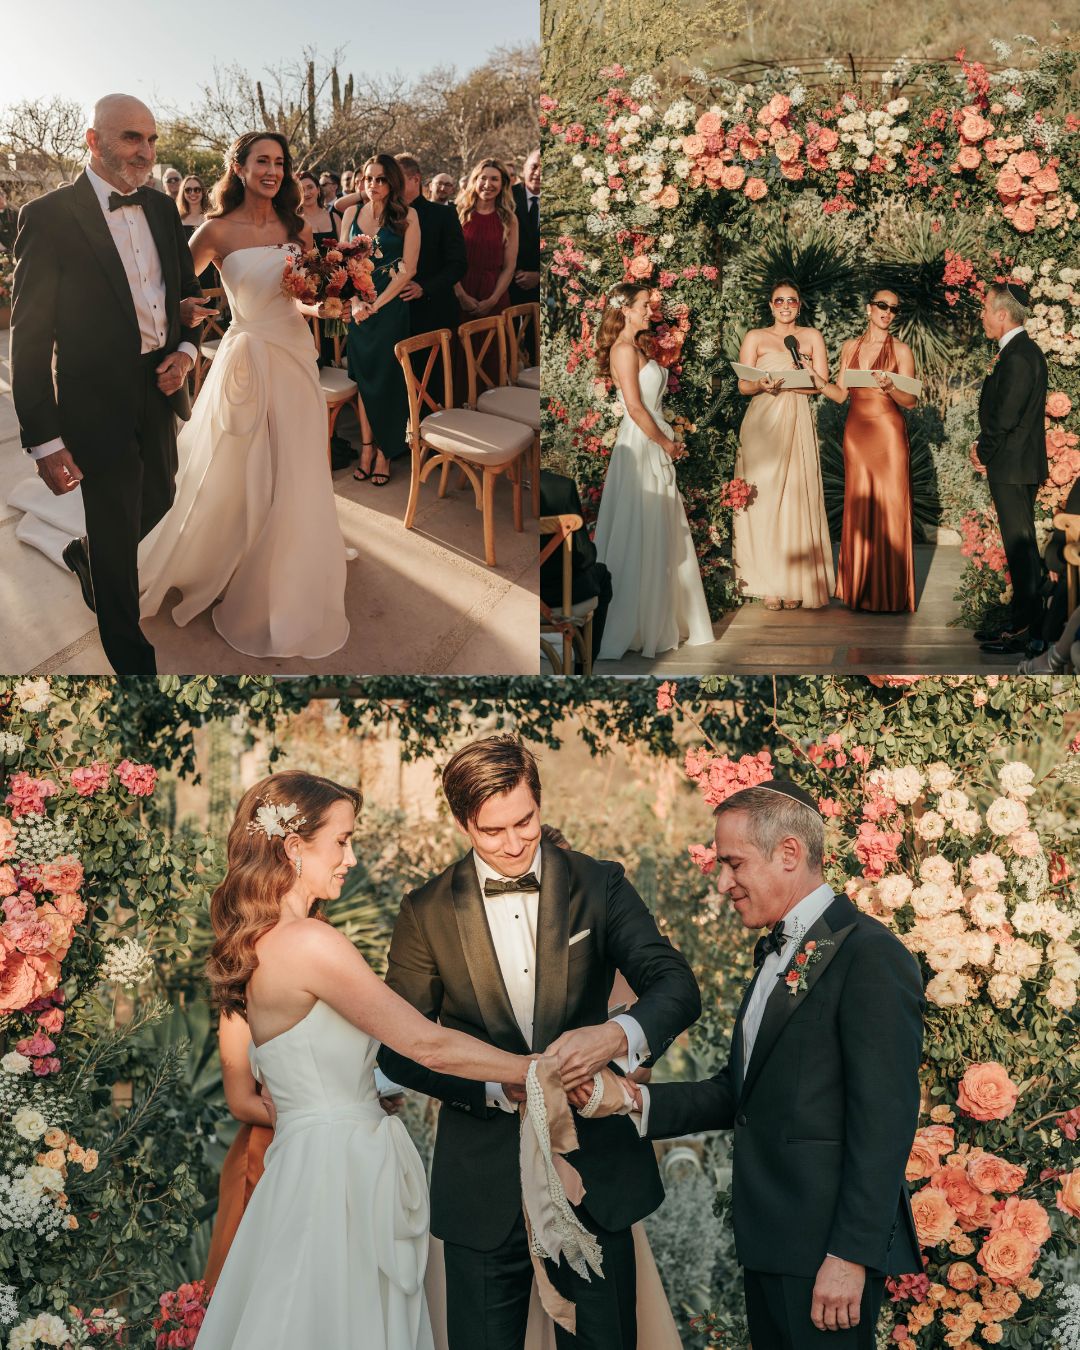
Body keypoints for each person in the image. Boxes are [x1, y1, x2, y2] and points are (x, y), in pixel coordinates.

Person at [378, 735, 701, 1350]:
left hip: (594, 1174)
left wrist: (613, 1036)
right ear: (461, 822)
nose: (514, 843)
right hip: (483, 1185)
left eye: (525, 820)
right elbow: (399, 1049)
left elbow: (676, 986)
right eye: (490, 830)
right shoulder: (424, 911)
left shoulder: (599, 884)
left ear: (540, 802)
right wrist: (492, 1084)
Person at [194, 770, 535, 1350]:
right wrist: (537, 1070)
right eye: (343, 841)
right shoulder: (310, 943)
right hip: (338, 1177)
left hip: (309, 1162)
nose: (351, 857)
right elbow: (425, 1043)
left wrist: (357, 1092)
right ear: (294, 848)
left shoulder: (261, 943)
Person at [625, 781, 924, 1350]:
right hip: (772, 1243)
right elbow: (742, 1093)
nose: (723, 882)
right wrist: (634, 1102)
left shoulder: (869, 955)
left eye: (733, 863)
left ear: (789, 854)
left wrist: (849, 1257)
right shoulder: (775, 952)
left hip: (825, 1255)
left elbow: (884, 1122)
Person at [10, 93, 203, 675]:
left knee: (161, 497)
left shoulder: (164, 210)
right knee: (118, 527)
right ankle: (131, 663)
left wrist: (187, 352)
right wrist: (44, 439)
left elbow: (184, 299)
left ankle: (89, 555)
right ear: (93, 141)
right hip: (94, 402)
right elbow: (28, 336)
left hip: (160, 387)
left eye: (150, 139)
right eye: (129, 138)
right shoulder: (47, 216)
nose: (144, 152)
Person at [138, 131, 351, 660]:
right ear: (238, 166)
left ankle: (290, 564)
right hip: (247, 356)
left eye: (280, 162)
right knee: (241, 463)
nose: (272, 171)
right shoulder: (214, 230)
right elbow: (172, 290)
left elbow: (304, 295)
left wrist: (324, 308)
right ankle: (229, 556)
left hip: (296, 354)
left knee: (297, 462)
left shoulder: (296, 227)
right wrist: (190, 314)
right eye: (262, 161)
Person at [591, 283, 713, 661]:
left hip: (650, 441)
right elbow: (635, 407)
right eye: (645, 305)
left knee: (656, 528)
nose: (650, 311)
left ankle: (656, 620)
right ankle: (634, 623)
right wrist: (667, 444)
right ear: (625, 309)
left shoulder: (637, 347)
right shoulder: (623, 350)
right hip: (641, 445)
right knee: (638, 527)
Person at [813, 288, 918, 613]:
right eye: (882, 306)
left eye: (894, 308)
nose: (888, 312)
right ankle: (858, 590)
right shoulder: (850, 347)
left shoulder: (902, 350)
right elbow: (840, 394)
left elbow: (911, 401)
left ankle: (891, 593)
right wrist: (813, 378)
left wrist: (891, 387)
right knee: (859, 506)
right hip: (857, 435)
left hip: (888, 434)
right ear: (868, 308)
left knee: (890, 507)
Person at [733, 278, 834, 611]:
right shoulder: (755, 337)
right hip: (762, 422)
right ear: (770, 305)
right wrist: (762, 384)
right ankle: (768, 585)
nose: (786, 306)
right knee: (764, 500)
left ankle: (793, 582)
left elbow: (821, 385)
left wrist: (794, 383)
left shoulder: (811, 338)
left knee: (794, 499)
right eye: (779, 301)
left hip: (796, 419)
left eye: (792, 300)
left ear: (800, 304)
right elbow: (743, 386)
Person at [973, 282, 1049, 656]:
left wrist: (981, 452)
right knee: (1019, 546)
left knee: (1020, 549)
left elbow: (1004, 417)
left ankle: (1028, 632)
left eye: (986, 310)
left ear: (1002, 315)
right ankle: (1022, 620)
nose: (982, 316)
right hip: (1014, 465)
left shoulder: (1019, 356)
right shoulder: (1018, 351)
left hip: (1013, 466)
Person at [340, 154, 418, 487]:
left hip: (389, 312)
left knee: (389, 381)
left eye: (381, 179)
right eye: (369, 178)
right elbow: (340, 262)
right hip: (358, 314)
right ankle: (367, 449)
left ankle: (387, 452)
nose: (374, 185)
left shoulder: (408, 216)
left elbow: (409, 268)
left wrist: (378, 304)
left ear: (393, 182)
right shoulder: (352, 213)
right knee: (364, 380)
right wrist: (356, 302)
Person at [203, 1011, 276, 1289]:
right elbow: (241, 1102)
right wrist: (321, 1114)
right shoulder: (239, 1004)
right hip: (262, 1155)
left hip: (323, 1149)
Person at [395, 152, 466, 390]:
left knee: (432, 384)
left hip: (432, 311)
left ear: (416, 179)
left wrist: (424, 288)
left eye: (398, 179)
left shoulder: (442, 215)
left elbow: (458, 264)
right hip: (394, 315)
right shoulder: (384, 216)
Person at [539, 468, 612, 669]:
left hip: (515, 595)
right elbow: (585, 557)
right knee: (601, 575)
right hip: (557, 597)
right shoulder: (560, 487)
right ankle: (583, 671)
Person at [455, 158, 518, 342]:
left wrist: (492, 300)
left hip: (494, 294)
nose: (488, 184)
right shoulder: (458, 213)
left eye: (494, 179)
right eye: (483, 178)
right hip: (460, 293)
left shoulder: (509, 219)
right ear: (474, 180)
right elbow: (447, 260)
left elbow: (509, 266)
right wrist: (461, 295)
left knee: (492, 358)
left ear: (503, 184)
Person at [510, 148, 540, 307]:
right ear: (524, 168)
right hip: (508, 283)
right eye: (534, 166)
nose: (539, 172)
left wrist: (539, 276)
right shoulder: (507, 197)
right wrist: (515, 273)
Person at [297, 169, 339, 245]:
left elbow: (344, 249)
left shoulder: (335, 218)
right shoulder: (295, 222)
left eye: (310, 187)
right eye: (301, 190)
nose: (306, 193)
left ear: (318, 190)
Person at [0, 187, 17, 255]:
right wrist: (4, 250)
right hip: (3, 252)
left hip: (15, 247)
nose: (2, 200)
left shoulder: (13, 213)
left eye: (2, 196)